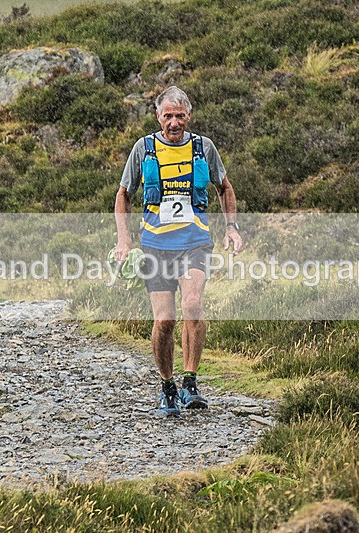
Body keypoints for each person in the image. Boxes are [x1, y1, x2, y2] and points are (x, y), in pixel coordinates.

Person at [114, 85, 242, 417]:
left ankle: (190, 384)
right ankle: (167, 387)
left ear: (189, 115)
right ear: (158, 116)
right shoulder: (143, 149)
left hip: (194, 244)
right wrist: (124, 241)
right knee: (165, 320)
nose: (174, 122)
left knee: (194, 305)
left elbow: (224, 187)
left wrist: (231, 227)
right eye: (168, 116)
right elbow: (123, 194)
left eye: (180, 116)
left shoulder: (204, 148)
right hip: (155, 246)